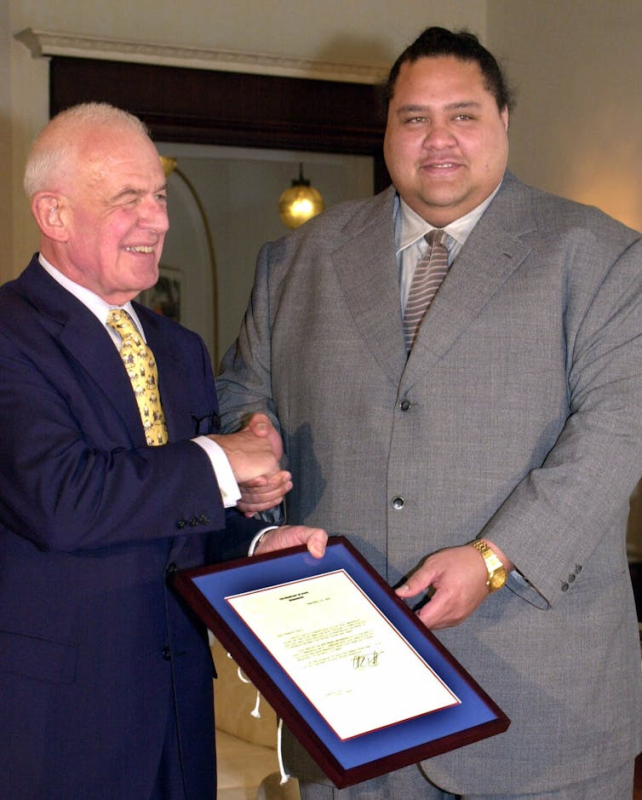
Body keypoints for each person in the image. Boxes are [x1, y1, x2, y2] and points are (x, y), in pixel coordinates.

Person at [217, 26, 642, 800]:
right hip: (350, 705)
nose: (437, 138)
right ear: (386, 133)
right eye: (413, 118)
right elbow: (243, 397)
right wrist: (252, 456)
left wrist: (493, 558)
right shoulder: (296, 262)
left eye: (464, 115)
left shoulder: (601, 254)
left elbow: (618, 435)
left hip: (542, 713)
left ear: (505, 120)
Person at [0, 102, 327, 800]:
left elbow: (185, 516)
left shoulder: (178, 351)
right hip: (53, 724)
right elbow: (62, 499)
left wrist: (257, 542)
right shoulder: (8, 336)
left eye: (159, 196)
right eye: (128, 200)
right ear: (54, 215)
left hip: (179, 715)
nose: (158, 220)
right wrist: (221, 460)